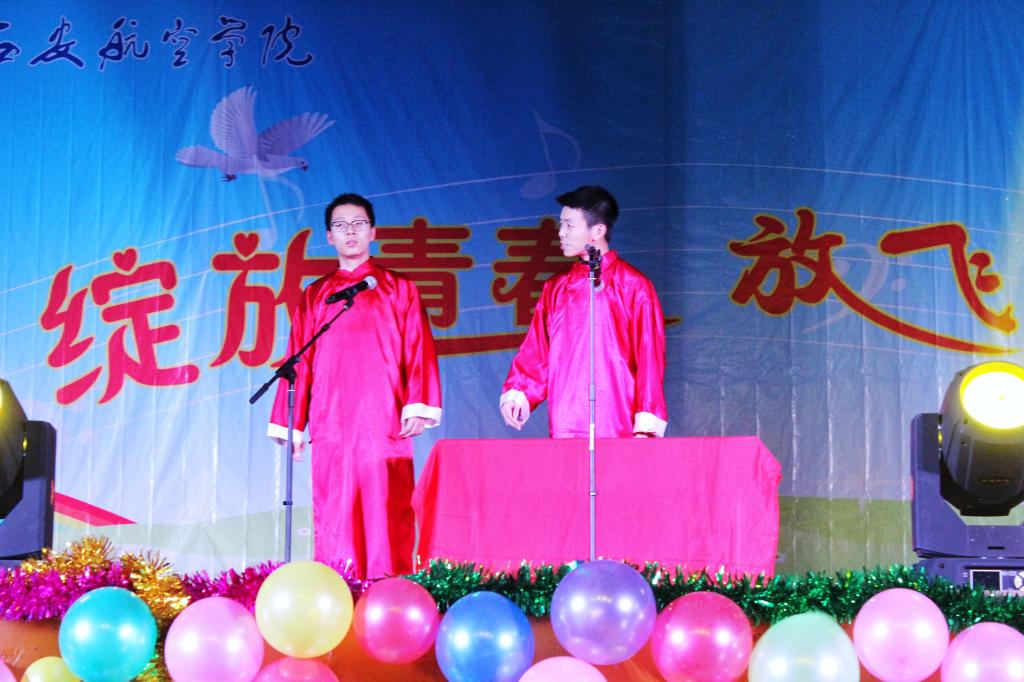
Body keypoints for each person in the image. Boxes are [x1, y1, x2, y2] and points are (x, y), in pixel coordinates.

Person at [268, 193, 441, 579]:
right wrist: (292, 425)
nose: (351, 232)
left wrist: (417, 403)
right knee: (337, 508)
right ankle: (339, 587)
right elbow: (299, 359)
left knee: (385, 506)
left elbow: (418, 348)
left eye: (359, 224)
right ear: (329, 236)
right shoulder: (316, 295)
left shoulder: (398, 288)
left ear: (373, 232)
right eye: (341, 225)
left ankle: (390, 590)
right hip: (332, 418)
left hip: (384, 417)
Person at [500, 185, 667, 438]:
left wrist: (647, 422)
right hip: (565, 421)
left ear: (598, 231)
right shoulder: (556, 288)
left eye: (569, 225)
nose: (561, 233)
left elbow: (649, 359)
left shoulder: (634, 286)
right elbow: (538, 351)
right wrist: (519, 392)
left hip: (617, 421)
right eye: (561, 224)